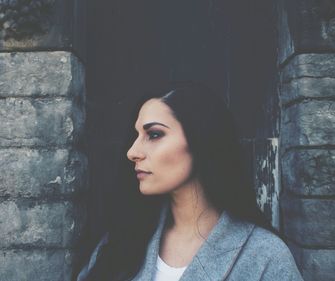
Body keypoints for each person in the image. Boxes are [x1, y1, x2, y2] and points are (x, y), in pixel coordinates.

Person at [77, 82, 303, 281]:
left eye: (154, 134)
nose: (133, 152)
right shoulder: (121, 242)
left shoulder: (265, 257)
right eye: (136, 136)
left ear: (200, 140)